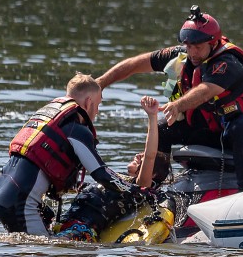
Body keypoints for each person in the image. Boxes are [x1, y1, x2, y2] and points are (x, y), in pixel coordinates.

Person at [96, 5, 243, 191]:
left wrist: (177, 106)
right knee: (162, 127)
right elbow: (136, 64)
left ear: (213, 43)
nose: (192, 52)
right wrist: (101, 82)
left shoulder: (228, 64)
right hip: (206, 130)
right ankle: (152, 188)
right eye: (188, 46)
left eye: (198, 47)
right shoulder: (182, 55)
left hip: (240, 128)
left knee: (239, 128)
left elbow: (205, 90)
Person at [0, 72, 145, 238]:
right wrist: (138, 191)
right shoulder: (76, 129)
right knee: (42, 255)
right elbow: (102, 174)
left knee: (28, 249)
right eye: (98, 105)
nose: (97, 111)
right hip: (20, 201)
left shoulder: (49, 116)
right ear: (88, 102)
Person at [55, 96, 171, 242]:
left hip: (81, 230)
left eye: (141, 157)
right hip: (66, 224)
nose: (137, 155)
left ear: (152, 173)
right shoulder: (118, 179)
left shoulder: (139, 187)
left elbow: (150, 155)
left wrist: (152, 116)